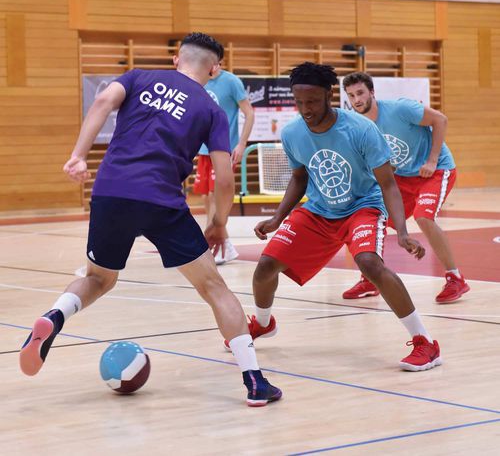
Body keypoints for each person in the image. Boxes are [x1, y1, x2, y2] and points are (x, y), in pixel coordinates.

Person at [19, 32, 281, 407]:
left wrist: (78, 155)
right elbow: (224, 179)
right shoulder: (211, 111)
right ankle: (254, 381)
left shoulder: (139, 77)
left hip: (111, 192)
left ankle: (55, 315)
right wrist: (219, 222)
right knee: (213, 287)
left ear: (176, 59)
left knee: (97, 278)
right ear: (215, 69)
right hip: (162, 200)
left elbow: (102, 101)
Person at [227, 62, 442, 372]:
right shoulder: (292, 133)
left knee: (369, 263)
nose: (306, 109)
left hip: (363, 206)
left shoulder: (361, 129)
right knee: (266, 266)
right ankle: (263, 323)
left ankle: (425, 343)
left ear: (329, 96)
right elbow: (299, 178)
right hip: (319, 210)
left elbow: (388, 184)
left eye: (313, 101)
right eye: (299, 102)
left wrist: (403, 232)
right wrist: (277, 218)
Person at [342, 72, 470, 304]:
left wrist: (432, 160)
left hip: (435, 169)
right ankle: (370, 278)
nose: (357, 100)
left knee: (423, 217)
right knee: (373, 217)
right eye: (351, 96)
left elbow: (440, 120)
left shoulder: (400, 109)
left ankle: (455, 278)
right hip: (403, 176)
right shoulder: (359, 126)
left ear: (372, 92)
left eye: (360, 93)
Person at [192, 60, 254, 265]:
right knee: (206, 197)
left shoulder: (231, 82)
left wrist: (242, 144)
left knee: (215, 195)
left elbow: (249, 113)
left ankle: (210, 245)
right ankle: (224, 244)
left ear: (219, 62)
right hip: (203, 149)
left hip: (224, 147)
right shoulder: (199, 80)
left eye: (216, 63)